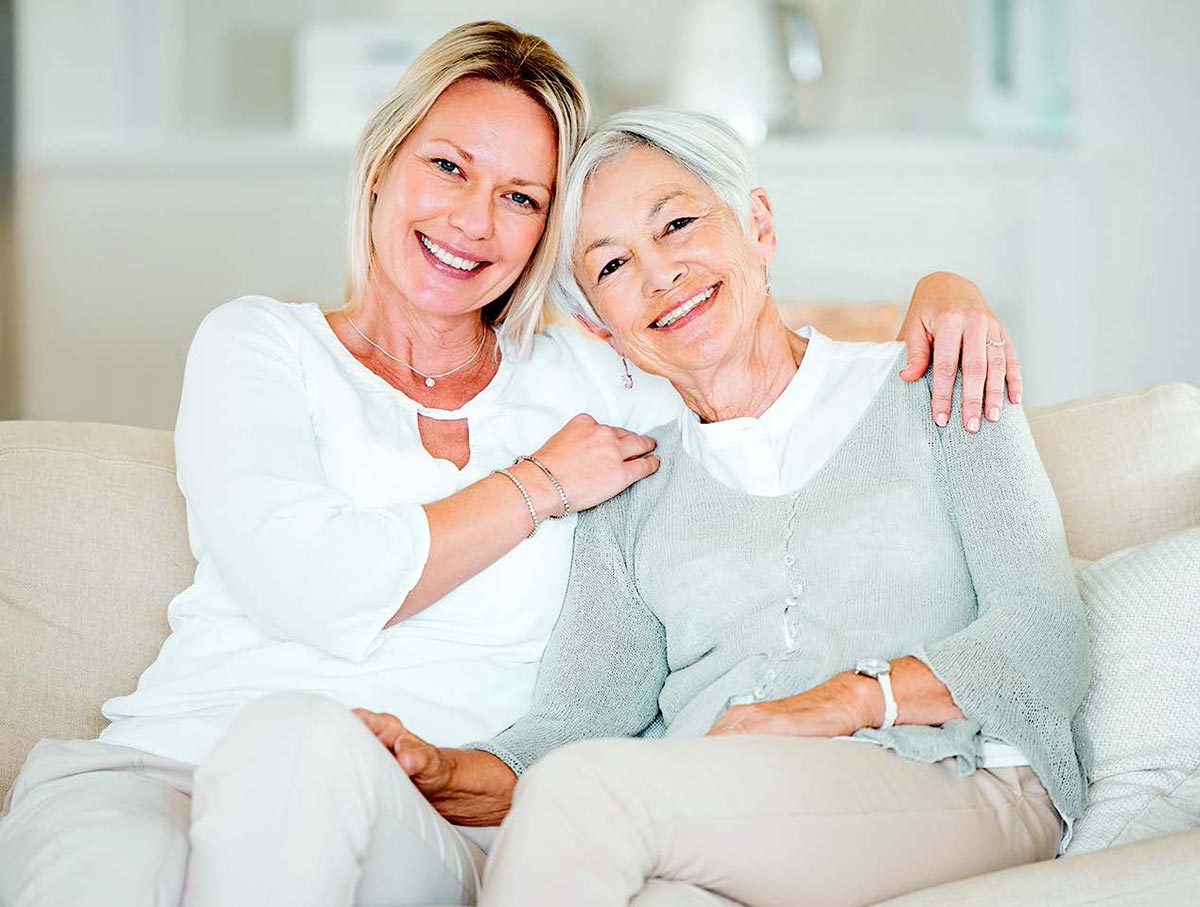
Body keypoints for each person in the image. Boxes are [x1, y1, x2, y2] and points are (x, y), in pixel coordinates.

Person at [0, 23, 1023, 907]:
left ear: (547, 238)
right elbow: (309, 585)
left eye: (522, 197)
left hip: (424, 810)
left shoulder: (591, 371)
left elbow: (753, 347)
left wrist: (944, 289)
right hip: (158, 763)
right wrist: (536, 486)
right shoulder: (259, 344)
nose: (473, 222)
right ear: (386, 159)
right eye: (448, 167)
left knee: (298, 742)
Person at [354, 109, 1087, 907]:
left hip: (956, 782)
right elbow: (577, 721)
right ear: (603, 331)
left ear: (757, 225)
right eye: (612, 266)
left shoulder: (937, 382)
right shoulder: (632, 488)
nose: (661, 273)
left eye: (676, 223)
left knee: (589, 794)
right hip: (730, 820)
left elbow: (1044, 633)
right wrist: (445, 768)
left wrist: (834, 704)